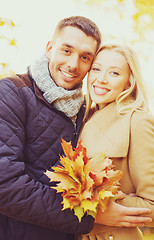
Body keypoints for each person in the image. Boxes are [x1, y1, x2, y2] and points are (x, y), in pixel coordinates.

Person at [0, 16, 151, 240]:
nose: (73, 64)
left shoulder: (83, 110)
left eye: (85, 57)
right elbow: (6, 185)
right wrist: (89, 214)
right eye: (66, 50)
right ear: (50, 48)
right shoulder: (11, 93)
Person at [78, 44, 154, 240]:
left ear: (128, 82)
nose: (101, 78)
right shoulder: (80, 116)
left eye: (114, 73)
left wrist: (97, 206)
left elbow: (152, 206)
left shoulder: (137, 121)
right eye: (96, 69)